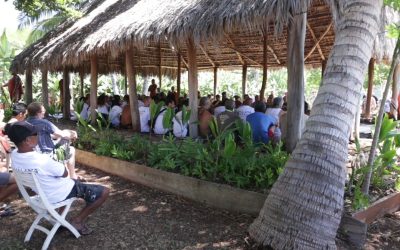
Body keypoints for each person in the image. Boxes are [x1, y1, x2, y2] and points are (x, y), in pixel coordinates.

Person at [7, 121, 109, 234]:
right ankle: (77, 221)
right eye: (35, 133)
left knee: (70, 182)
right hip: (57, 194)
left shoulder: (15, 154)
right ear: (27, 140)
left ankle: (59, 218)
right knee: (104, 191)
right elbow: (65, 173)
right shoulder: (42, 160)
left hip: (43, 194)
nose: (38, 135)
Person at [26, 102, 79, 180]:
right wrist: (73, 133)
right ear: (38, 113)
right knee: (71, 149)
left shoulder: (25, 123)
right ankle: (72, 176)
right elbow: (63, 134)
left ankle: (65, 172)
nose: (44, 115)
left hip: (33, 154)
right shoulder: (43, 123)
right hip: (48, 155)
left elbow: (47, 135)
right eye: (43, 113)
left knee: (62, 138)